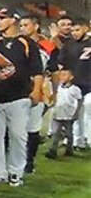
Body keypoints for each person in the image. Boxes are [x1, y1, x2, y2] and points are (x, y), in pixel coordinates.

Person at [0, 8, 43, 187]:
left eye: (2, 18)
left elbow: (37, 70)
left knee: (18, 136)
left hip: (19, 96)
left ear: (13, 20)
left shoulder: (27, 43)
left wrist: (36, 90)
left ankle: (16, 172)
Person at [19, 15, 58, 172]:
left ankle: (29, 161)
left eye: (25, 25)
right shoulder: (17, 43)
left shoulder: (48, 46)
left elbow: (54, 70)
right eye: (21, 25)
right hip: (17, 90)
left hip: (39, 90)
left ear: (35, 26)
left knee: (32, 128)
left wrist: (55, 92)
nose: (22, 28)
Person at [58, 17, 90, 149]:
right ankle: (77, 141)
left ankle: (84, 139)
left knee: (87, 109)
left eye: (77, 30)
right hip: (74, 83)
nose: (74, 33)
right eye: (72, 31)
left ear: (86, 28)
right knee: (74, 113)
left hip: (89, 83)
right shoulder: (69, 45)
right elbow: (62, 63)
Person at [45, 68, 81, 158]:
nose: (62, 77)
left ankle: (69, 149)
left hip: (68, 115)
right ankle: (52, 151)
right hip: (58, 114)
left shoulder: (75, 89)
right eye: (61, 75)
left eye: (65, 75)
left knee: (68, 134)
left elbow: (79, 100)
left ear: (71, 77)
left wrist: (76, 112)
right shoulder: (57, 87)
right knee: (55, 133)